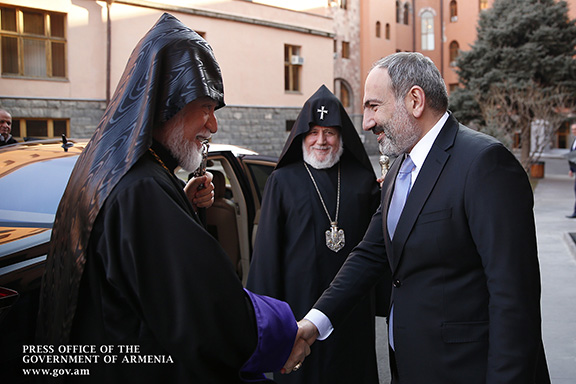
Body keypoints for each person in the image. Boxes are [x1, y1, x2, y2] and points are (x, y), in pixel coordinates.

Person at [36, 13, 305, 383]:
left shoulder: (114, 168)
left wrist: (180, 203)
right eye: (207, 108)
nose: (213, 125)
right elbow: (205, 315)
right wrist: (283, 332)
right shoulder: (143, 189)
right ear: (169, 103)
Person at [287, 52, 551, 383]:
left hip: (467, 370)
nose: (366, 122)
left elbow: (514, 296)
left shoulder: (485, 164)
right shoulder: (399, 166)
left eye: (374, 106)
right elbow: (371, 253)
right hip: (410, 368)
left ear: (415, 100)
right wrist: (313, 324)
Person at [247, 85, 381, 384]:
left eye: (330, 132)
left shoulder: (363, 181)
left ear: (341, 135)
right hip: (298, 311)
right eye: (314, 132)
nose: (321, 141)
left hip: (351, 312)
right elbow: (268, 254)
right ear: (302, 136)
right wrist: (264, 322)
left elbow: (378, 248)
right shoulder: (282, 181)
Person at [566, 122, 576, 218]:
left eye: (575, 129)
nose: (574, 131)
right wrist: (571, 170)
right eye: (572, 129)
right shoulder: (574, 141)